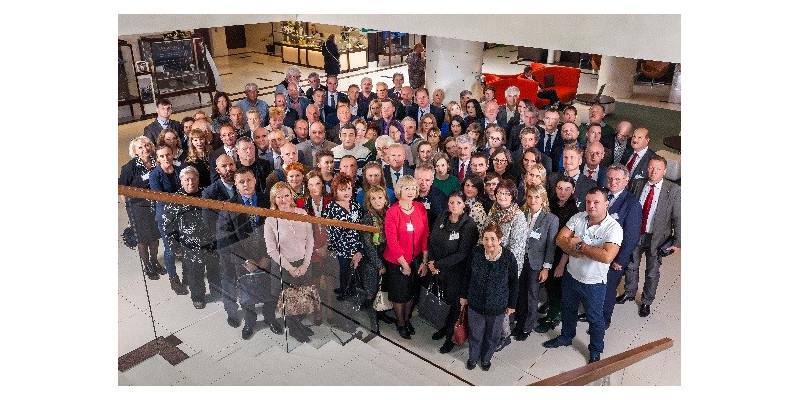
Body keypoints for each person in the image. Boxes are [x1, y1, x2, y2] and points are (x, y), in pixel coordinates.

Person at [543, 187, 622, 365]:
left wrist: (580, 246)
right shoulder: (578, 218)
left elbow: (607, 256)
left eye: (596, 202)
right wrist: (577, 249)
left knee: (595, 318)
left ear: (606, 204)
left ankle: (595, 350)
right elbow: (560, 239)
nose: (591, 206)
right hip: (572, 276)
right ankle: (566, 336)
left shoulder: (614, 228)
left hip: (594, 283)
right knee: (568, 310)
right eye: (588, 202)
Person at [216, 167, 284, 339]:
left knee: (270, 290)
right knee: (247, 297)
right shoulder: (229, 207)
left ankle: (269, 317)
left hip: (267, 256)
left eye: (249, 180)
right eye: (241, 182)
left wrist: (268, 256)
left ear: (255, 180)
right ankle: (250, 323)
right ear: (236, 185)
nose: (246, 184)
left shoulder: (267, 201)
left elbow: (278, 230)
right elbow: (227, 238)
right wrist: (245, 260)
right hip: (243, 260)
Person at [617, 155, 681, 318]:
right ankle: (629, 292)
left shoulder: (673, 190)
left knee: (652, 272)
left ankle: (646, 301)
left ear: (665, 171)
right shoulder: (637, 184)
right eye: (651, 167)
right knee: (631, 265)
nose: (653, 171)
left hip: (657, 238)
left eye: (658, 169)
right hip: (636, 234)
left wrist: (678, 241)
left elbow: (678, 217)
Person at [427, 190, 479, 353]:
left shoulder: (469, 225)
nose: (454, 206)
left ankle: (450, 337)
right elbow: (432, 239)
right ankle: (443, 327)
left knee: (455, 306)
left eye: (458, 203)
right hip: (437, 270)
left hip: (457, 273)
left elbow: (462, 253)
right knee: (443, 302)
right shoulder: (442, 216)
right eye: (451, 202)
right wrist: (431, 262)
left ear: (464, 204)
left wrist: (438, 264)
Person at [462, 223, 519, 371]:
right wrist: (463, 295)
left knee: (492, 336)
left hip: (497, 306)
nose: (489, 243)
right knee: (475, 334)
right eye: (486, 239)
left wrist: (511, 305)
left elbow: (514, 283)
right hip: (475, 303)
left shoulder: (508, 257)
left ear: (500, 239)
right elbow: (466, 275)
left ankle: (486, 359)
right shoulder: (476, 253)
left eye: (493, 239)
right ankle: (473, 358)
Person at [264, 182, 315, 343]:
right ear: (274, 199)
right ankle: (293, 329)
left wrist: (306, 264)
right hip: (283, 266)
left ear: (291, 195)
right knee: (289, 302)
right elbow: (271, 250)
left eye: (286, 195)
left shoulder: (302, 213)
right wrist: (290, 268)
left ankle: (298, 324)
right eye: (279, 197)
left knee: (303, 300)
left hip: (304, 263)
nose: (284, 200)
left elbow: (310, 240)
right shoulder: (271, 220)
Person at [162, 166, 219, 309]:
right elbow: (168, 227)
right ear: (181, 181)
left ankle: (217, 292)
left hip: (211, 242)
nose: (190, 183)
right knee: (194, 274)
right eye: (187, 180)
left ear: (198, 179)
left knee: (214, 270)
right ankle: (198, 297)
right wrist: (175, 247)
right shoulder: (174, 200)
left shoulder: (207, 193)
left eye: (193, 179)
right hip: (189, 247)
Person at [383, 175, 429, 339]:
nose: (410, 192)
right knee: (399, 296)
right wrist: (405, 264)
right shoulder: (392, 212)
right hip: (397, 262)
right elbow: (392, 242)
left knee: (411, 293)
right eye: (406, 188)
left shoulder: (420, 208)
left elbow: (425, 235)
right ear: (399, 190)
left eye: (412, 188)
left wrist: (424, 260)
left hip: (416, 260)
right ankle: (401, 323)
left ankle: (407, 319)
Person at [598, 163, 642, 329]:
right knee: (596, 286)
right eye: (610, 178)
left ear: (626, 181)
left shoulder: (631, 204)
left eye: (617, 179)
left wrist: (621, 260)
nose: (613, 182)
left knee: (608, 289)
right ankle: (593, 313)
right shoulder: (602, 195)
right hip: (597, 251)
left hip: (615, 258)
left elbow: (632, 237)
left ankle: (604, 319)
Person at [512, 185, 559, 341]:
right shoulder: (521, 214)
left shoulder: (551, 219)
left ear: (543, 199)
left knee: (532, 295)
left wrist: (546, 268)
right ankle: (519, 322)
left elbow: (551, 246)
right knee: (519, 292)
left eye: (537, 197)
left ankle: (527, 327)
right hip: (520, 261)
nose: (533, 200)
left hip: (536, 263)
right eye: (530, 196)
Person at [485, 179, 527, 352]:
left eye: (506, 193)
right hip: (490, 261)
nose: (502, 196)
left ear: (513, 196)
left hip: (507, 268)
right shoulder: (494, 211)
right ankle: (491, 331)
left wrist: (498, 265)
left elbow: (516, 248)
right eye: (499, 192)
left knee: (502, 304)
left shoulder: (518, 216)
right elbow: (485, 234)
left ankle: (505, 335)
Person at [535, 176, 578, 333]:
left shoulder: (574, 212)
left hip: (560, 255)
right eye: (560, 188)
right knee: (548, 286)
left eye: (567, 189)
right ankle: (550, 313)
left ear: (573, 190)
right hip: (546, 251)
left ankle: (553, 317)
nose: (563, 192)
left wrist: (561, 265)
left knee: (555, 289)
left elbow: (570, 242)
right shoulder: (551, 204)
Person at [119, 136, 163, 280]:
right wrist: (129, 211)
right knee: (143, 239)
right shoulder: (129, 167)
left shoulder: (157, 161)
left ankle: (154, 261)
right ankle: (147, 265)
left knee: (155, 236)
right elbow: (122, 189)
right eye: (140, 147)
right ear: (135, 151)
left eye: (147, 145)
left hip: (155, 205)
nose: (145, 149)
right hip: (137, 207)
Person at [296, 170, 334, 325]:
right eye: (310, 184)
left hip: (330, 247)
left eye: (317, 183)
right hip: (312, 250)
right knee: (315, 283)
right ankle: (318, 311)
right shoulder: (301, 204)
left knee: (331, 282)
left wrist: (328, 246)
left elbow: (337, 227)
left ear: (323, 185)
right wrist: (314, 249)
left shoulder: (330, 201)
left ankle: (330, 310)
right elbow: (298, 233)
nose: (314, 187)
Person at [149, 144, 187, 295]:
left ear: (173, 154)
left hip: (183, 215)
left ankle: (187, 274)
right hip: (165, 216)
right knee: (170, 249)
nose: (166, 158)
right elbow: (160, 196)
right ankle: (173, 278)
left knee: (185, 245)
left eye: (168, 155)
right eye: (162, 156)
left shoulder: (179, 170)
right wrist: (179, 196)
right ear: (157, 159)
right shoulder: (154, 174)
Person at [323, 173, 366, 301]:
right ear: (335, 191)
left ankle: (349, 290)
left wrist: (359, 250)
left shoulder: (356, 206)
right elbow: (330, 231)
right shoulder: (331, 207)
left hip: (356, 246)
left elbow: (361, 230)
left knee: (354, 272)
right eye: (342, 190)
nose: (346, 192)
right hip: (339, 248)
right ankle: (343, 288)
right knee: (343, 271)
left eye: (348, 188)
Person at [547, 144, 597, 212]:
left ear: (580, 161)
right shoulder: (552, 178)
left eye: (572, 157)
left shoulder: (590, 185)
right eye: (565, 157)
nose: (568, 161)